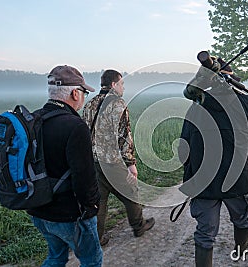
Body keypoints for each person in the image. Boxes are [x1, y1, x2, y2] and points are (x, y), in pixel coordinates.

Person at [179, 63, 248, 266]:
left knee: (205, 234)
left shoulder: (195, 108)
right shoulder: (247, 103)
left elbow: (182, 151)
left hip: (204, 184)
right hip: (239, 181)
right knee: (241, 220)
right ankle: (240, 251)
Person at [26, 65, 103, 267]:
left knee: (56, 257)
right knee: (91, 260)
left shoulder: (33, 119)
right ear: (75, 93)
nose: (84, 97)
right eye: (84, 92)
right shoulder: (75, 126)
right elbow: (84, 177)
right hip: (69, 214)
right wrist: (92, 207)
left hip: (38, 209)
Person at [82, 69, 155, 246]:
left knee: (99, 200)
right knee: (130, 192)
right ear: (114, 84)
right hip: (112, 162)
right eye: (122, 84)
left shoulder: (90, 104)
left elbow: (84, 132)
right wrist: (130, 163)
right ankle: (138, 227)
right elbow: (124, 136)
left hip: (93, 161)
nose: (123, 87)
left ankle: (97, 238)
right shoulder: (118, 104)